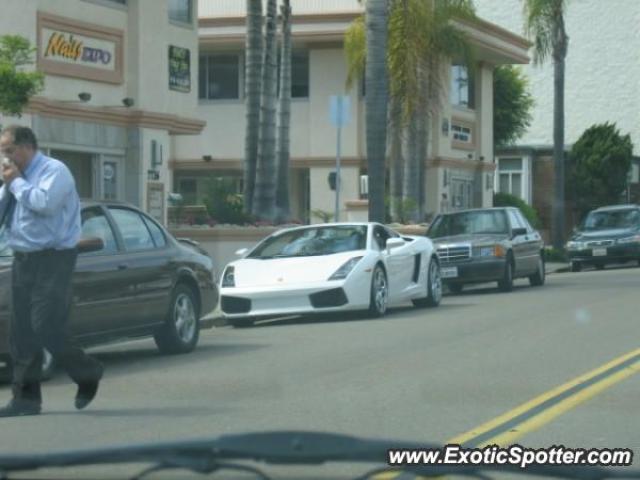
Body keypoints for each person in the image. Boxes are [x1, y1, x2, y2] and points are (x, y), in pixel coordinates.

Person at [0, 125, 103, 417]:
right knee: (20, 332)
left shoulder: (54, 171)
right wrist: (8, 185)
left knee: (45, 325)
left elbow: (44, 204)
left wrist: (17, 183)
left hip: (54, 259)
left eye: (8, 151)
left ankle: (87, 371)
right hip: (23, 258)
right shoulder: (12, 179)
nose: (4, 158)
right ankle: (25, 399)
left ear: (26, 147)